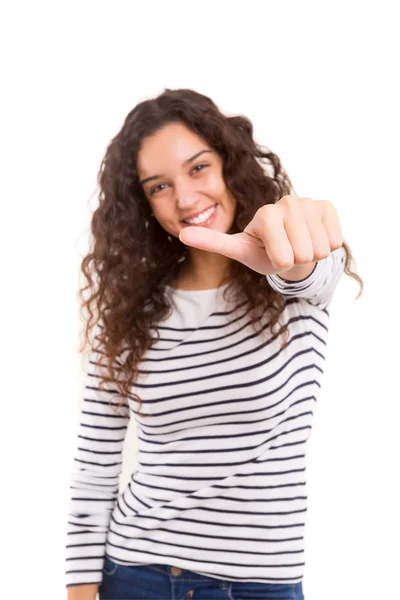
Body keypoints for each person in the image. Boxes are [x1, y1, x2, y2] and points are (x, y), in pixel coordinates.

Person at [65, 88, 363, 600]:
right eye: (159, 186)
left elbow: (310, 270)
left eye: (198, 168)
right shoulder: (126, 315)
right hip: (136, 574)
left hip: (260, 585)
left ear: (230, 164)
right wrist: (80, 590)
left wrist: (292, 252)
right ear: (143, 203)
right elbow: (95, 467)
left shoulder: (293, 283)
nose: (183, 199)